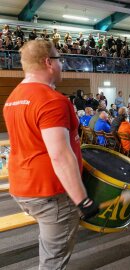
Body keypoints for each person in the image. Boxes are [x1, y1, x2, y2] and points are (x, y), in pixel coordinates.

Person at [3, 40, 98, 269]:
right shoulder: (51, 100)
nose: (62, 65)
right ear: (48, 63)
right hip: (49, 192)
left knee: (50, 242)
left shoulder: (13, 98)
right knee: (53, 261)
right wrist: (82, 200)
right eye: (59, 59)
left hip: (21, 186)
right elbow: (60, 155)